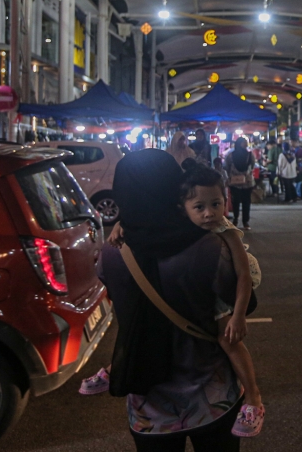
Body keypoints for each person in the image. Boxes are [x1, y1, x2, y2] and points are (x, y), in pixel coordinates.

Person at [97, 149, 247, 450]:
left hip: (149, 404)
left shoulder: (111, 254)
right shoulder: (209, 246)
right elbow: (242, 300)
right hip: (212, 395)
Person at [179, 160, 264, 437]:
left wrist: (238, 315)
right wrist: (121, 225)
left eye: (216, 204)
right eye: (199, 207)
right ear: (183, 208)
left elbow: (243, 276)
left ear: (225, 199)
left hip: (222, 295)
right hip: (196, 292)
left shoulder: (226, 232)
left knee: (227, 340)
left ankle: (253, 398)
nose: (209, 214)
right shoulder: (179, 227)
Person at [225, 137, 256, 231]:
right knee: (236, 202)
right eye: (244, 142)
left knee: (246, 202)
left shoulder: (250, 154)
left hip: (245, 182)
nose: (245, 144)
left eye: (246, 142)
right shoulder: (231, 155)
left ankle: (245, 221)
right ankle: (236, 218)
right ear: (239, 143)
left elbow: (252, 165)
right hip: (237, 182)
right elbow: (226, 166)